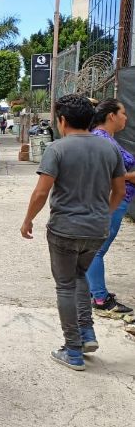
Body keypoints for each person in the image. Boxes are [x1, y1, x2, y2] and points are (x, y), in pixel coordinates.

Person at [21, 94, 126, 371]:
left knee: (65, 285)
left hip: (65, 230)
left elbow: (41, 192)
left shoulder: (57, 149)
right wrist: (104, 214)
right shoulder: (110, 149)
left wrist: (28, 220)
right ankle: (87, 333)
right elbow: (120, 192)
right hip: (97, 230)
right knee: (80, 277)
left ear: (62, 120)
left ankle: (73, 350)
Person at [86, 98, 135, 317]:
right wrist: (130, 177)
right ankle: (100, 298)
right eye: (123, 113)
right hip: (111, 199)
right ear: (111, 116)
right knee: (97, 249)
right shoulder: (102, 139)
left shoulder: (106, 139)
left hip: (115, 199)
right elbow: (102, 173)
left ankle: (93, 291)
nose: (126, 117)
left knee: (96, 248)